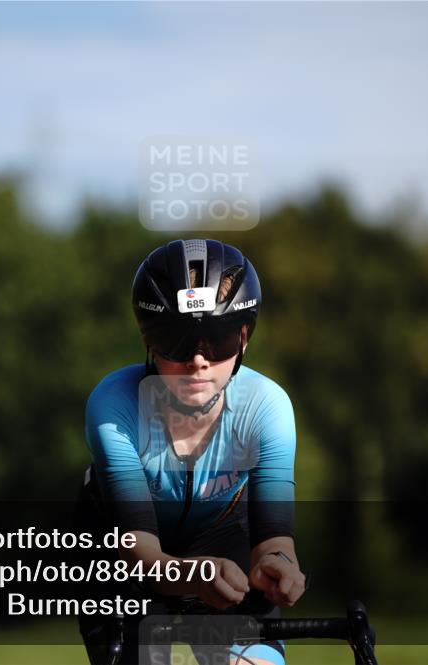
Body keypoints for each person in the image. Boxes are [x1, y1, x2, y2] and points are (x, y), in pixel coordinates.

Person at [77, 239, 306, 665]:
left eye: (216, 341)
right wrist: (196, 574)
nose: (198, 360)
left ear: (243, 339)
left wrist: (279, 565)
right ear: (149, 342)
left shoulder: (267, 406)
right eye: (177, 341)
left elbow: (275, 537)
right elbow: (139, 552)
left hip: (224, 538)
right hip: (124, 556)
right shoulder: (112, 406)